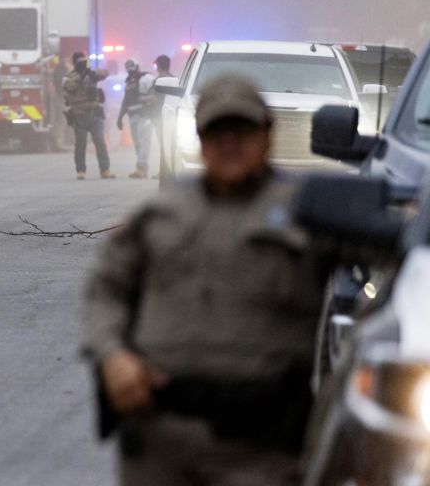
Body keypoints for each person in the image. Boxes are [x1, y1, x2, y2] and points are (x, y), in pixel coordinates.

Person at [82, 75, 389, 485]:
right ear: (200, 138)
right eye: (217, 131)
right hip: (158, 445)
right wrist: (112, 354)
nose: (230, 142)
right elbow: (106, 290)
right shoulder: (159, 215)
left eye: (243, 130)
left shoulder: (310, 214)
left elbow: (395, 254)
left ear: (267, 134)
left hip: (259, 450)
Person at [62, 51, 114, 180]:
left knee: (100, 143)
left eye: (85, 62)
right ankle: (81, 170)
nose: (84, 64)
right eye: (81, 62)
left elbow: (105, 73)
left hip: (94, 113)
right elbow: (68, 87)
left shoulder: (91, 74)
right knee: (80, 144)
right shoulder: (69, 76)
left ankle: (105, 169)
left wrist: (92, 74)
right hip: (79, 115)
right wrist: (80, 77)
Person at [116, 59, 151, 179]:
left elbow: (154, 96)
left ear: (137, 66)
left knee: (144, 142)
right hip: (132, 116)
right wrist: (120, 117)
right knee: (137, 143)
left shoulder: (146, 78)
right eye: (128, 67)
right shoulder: (129, 82)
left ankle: (141, 167)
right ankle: (142, 169)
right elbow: (126, 101)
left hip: (144, 115)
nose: (130, 70)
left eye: (132, 67)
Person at [143, 55, 173, 179]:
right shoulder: (174, 79)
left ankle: (164, 172)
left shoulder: (159, 80)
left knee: (163, 145)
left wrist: (143, 99)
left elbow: (154, 97)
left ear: (159, 65)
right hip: (172, 116)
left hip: (160, 117)